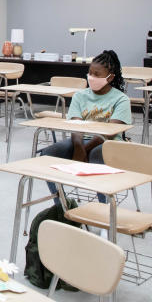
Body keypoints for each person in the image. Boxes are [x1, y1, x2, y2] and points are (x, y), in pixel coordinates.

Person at [40, 50, 132, 205]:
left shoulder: (121, 99)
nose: (92, 77)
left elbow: (109, 132)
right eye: (90, 73)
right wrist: (78, 146)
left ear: (110, 77)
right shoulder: (80, 96)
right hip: (80, 139)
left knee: (97, 155)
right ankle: (61, 206)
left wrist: (85, 149)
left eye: (97, 74)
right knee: (48, 154)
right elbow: (76, 126)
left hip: (109, 143)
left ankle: (105, 210)